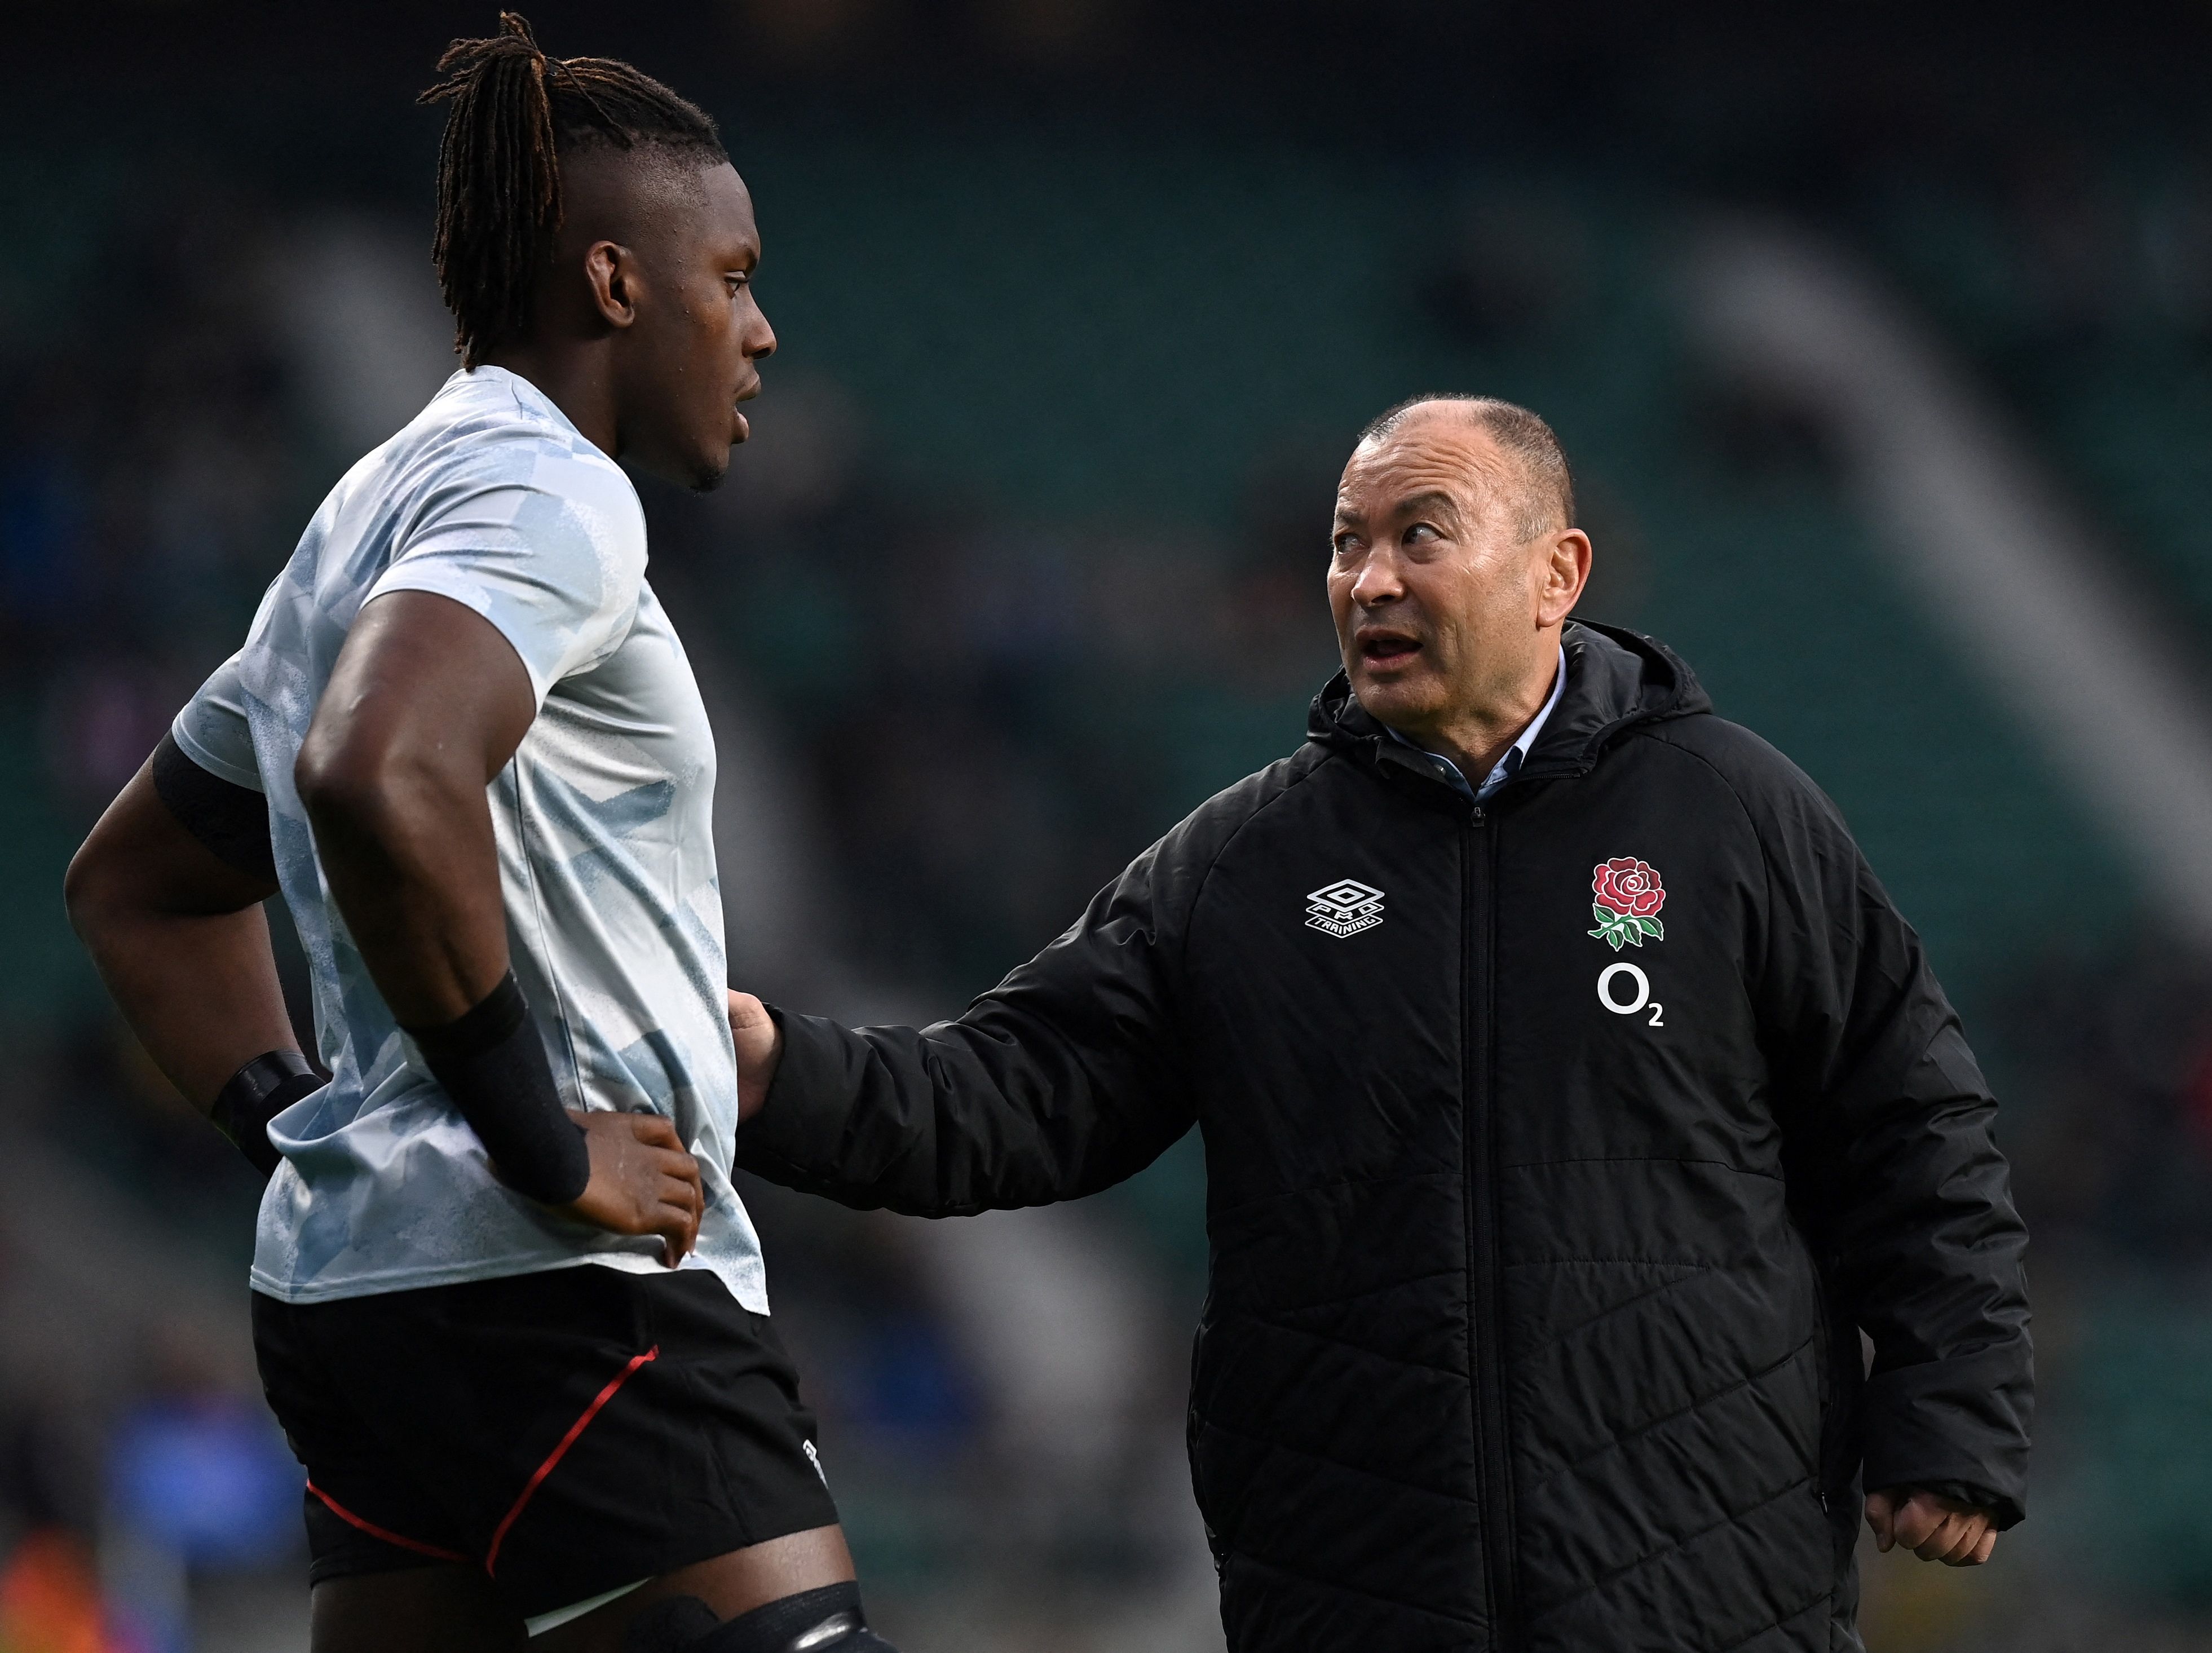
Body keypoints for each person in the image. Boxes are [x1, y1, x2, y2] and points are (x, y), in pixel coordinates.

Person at [729, 395, 2034, 1651]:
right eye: (1346, 542)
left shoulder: (1735, 817)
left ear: (1554, 570)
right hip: (1354, 1595)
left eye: (1421, 533)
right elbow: (1013, 1092)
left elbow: (1911, 1124)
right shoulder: (1241, 865)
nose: (1368, 579)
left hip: (1709, 1593)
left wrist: (1949, 1414)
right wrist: (775, 1070)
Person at [65, 16, 897, 1653]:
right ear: (612, 285)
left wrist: (302, 1123)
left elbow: (139, 888)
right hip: (567, 1298)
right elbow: (382, 766)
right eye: (730, 276)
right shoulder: (551, 488)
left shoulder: (359, 517)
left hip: (358, 1303)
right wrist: (536, 1139)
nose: (762, 328)